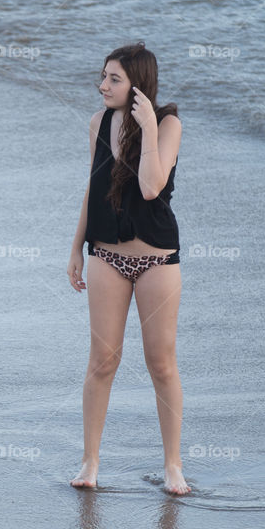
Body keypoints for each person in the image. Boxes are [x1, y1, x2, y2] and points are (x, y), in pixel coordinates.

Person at [67, 42, 191, 495]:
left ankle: (173, 465)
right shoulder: (99, 122)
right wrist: (76, 247)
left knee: (161, 363)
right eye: (103, 76)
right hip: (106, 255)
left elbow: (151, 187)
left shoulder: (168, 124)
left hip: (157, 257)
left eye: (114, 78)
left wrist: (147, 128)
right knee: (102, 361)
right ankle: (90, 461)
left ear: (138, 84)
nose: (103, 85)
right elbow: (92, 187)